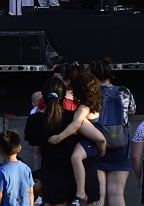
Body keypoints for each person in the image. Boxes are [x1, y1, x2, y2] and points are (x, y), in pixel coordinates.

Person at [24, 78, 101, 206]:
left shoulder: (33, 120)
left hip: (52, 174)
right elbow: (100, 138)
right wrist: (100, 152)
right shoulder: (74, 117)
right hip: (81, 176)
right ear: (63, 96)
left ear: (43, 97)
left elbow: (36, 145)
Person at [45, 72, 106, 206]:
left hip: (89, 140)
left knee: (76, 157)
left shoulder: (83, 108)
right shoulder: (93, 105)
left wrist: (59, 137)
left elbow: (76, 124)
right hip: (90, 140)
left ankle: (81, 193)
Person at [88, 58, 135, 206]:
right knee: (117, 194)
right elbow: (132, 110)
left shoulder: (90, 93)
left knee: (98, 195)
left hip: (96, 145)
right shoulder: (124, 91)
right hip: (120, 144)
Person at [0, 130, 34, 206]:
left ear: (0, 150)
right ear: (19, 148)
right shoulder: (26, 168)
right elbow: (30, 193)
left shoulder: (0, 171)